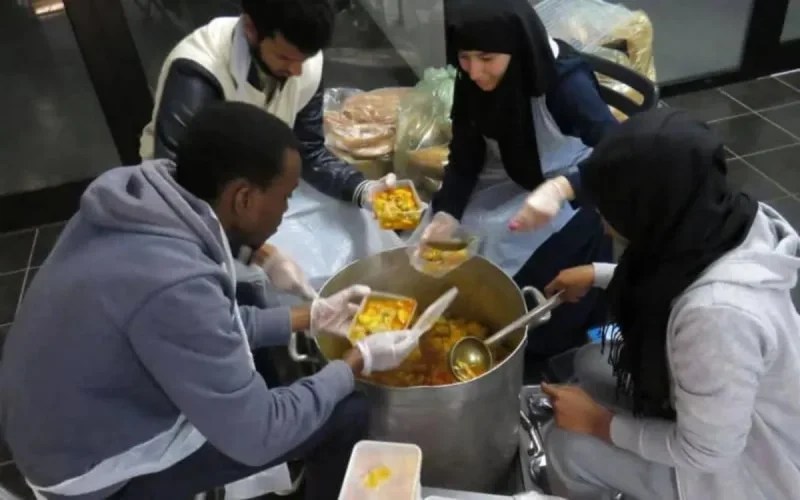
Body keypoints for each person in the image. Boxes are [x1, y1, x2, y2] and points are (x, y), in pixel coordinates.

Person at [0, 102, 419, 500]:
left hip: (55, 423)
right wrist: (357, 361)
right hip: (90, 473)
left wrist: (311, 316)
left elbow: (209, 324)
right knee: (344, 413)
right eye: (286, 196)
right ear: (243, 198)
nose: (285, 211)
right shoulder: (173, 282)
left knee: (277, 382)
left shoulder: (144, 204)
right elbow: (260, 435)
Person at [540, 109, 800, 500]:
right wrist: (598, 274)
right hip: (724, 409)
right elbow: (679, 282)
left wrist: (599, 424)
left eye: (609, 210)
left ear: (650, 209)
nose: (604, 222)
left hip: (746, 472)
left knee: (565, 446)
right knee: (590, 361)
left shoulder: (717, 318)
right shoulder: (717, 218)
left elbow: (708, 451)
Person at [139, 0, 402, 301]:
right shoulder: (197, 76)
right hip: (197, 202)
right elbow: (179, 197)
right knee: (242, 287)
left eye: (305, 58)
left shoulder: (301, 63)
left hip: (261, 175)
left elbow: (310, 151)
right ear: (251, 29)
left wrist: (363, 189)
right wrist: (258, 254)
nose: (297, 70)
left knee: (361, 228)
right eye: (285, 57)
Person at [420, 0, 617, 362]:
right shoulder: (473, 80)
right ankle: (464, 324)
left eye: (487, 58)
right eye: (465, 58)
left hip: (577, 184)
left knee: (500, 244)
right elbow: (465, 154)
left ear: (517, 47)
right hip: (516, 174)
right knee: (440, 231)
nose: (475, 72)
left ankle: (546, 348)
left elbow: (620, 152)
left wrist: (563, 189)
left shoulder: (564, 83)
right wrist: (447, 211)